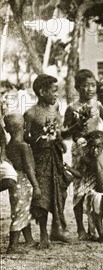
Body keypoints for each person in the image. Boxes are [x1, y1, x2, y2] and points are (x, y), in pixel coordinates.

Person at [24, 74, 73, 247]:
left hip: (56, 157)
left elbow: (61, 133)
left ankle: (56, 229)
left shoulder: (56, 109)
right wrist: (39, 140)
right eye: (53, 91)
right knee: (42, 196)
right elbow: (24, 137)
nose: (56, 95)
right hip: (40, 159)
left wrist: (75, 127)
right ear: (42, 91)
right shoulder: (31, 114)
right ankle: (43, 235)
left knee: (60, 191)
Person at [63, 69, 103, 240]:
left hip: (95, 150)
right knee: (79, 189)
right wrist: (77, 132)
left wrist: (102, 137)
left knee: (96, 187)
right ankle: (80, 228)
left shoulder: (97, 105)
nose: (89, 89)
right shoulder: (72, 108)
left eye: (92, 85)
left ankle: (95, 227)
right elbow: (64, 131)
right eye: (85, 86)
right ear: (77, 87)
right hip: (80, 151)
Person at [4, 113, 40, 252]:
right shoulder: (23, 146)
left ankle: (29, 240)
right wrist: (36, 186)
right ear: (25, 126)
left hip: (15, 182)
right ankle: (12, 246)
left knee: (22, 211)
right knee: (21, 213)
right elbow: (29, 169)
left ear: (7, 130)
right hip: (24, 182)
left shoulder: (9, 145)